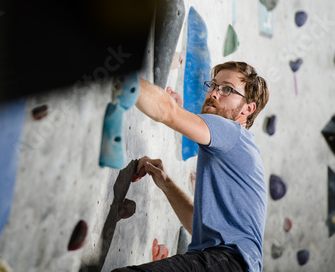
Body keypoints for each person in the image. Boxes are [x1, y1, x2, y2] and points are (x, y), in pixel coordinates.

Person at [113, 61, 269, 272]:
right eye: (213, 85)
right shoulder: (239, 148)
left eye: (227, 89)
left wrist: (117, 75)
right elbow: (201, 227)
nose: (214, 93)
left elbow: (168, 112)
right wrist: (166, 184)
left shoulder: (231, 131)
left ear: (248, 109)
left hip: (228, 264)